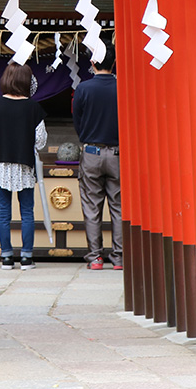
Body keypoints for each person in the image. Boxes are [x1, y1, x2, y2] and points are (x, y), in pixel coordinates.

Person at [0, 62, 47, 270]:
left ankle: (7, 257)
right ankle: (27, 257)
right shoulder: (34, 107)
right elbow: (41, 140)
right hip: (25, 165)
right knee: (27, 211)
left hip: (0, 164)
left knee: (4, 213)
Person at [73, 42, 121, 270]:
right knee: (118, 206)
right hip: (117, 153)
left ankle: (95, 257)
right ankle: (119, 257)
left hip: (91, 151)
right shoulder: (123, 87)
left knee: (92, 207)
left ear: (92, 63)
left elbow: (78, 121)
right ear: (114, 63)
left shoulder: (83, 88)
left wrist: (87, 136)